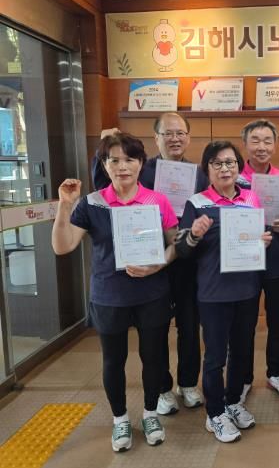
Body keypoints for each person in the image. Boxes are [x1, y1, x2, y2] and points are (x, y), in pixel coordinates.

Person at [52, 133, 178, 452]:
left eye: (130, 159)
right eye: (114, 160)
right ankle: (120, 418)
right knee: (113, 360)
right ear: (104, 165)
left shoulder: (157, 200)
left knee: (154, 357)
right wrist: (64, 206)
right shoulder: (92, 203)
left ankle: (150, 414)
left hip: (152, 293)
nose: (122, 166)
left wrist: (158, 266)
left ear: (141, 163)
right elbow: (62, 246)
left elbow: (174, 243)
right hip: (109, 295)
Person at [93, 115, 208, 416]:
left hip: (186, 257)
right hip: (146, 256)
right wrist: (100, 150)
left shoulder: (199, 173)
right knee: (154, 331)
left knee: (189, 325)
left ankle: (188, 383)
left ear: (188, 137)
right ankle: (162, 388)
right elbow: (104, 185)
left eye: (180, 133)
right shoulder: (141, 166)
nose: (175, 138)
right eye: (167, 133)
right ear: (155, 138)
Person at [175, 141, 272, 443]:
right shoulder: (197, 202)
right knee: (215, 356)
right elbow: (182, 250)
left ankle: (233, 402)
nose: (225, 168)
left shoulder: (251, 198)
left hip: (247, 289)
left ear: (238, 167)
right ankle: (215, 413)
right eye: (217, 163)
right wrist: (194, 234)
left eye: (230, 162)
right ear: (207, 169)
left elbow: (256, 237)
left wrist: (263, 241)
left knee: (242, 351)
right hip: (213, 292)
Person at [236, 119, 279, 403]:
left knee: (278, 321)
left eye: (267, 141)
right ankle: (243, 377)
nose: (261, 147)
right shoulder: (234, 178)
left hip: (277, 259)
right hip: (244, 261)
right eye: (255, 140)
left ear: (275, 145)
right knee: (244, 324)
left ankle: (276, 372)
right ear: (245, 144)